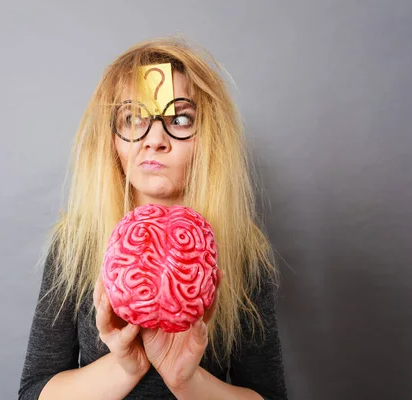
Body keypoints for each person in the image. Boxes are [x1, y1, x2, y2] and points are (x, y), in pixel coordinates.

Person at [18, 37, 288, 400]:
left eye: (179, 119)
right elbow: (33, 392)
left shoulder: (242, 250)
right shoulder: (76, 244)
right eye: (133, 119)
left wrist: (185, 380)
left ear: (209, 136)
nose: (155, 140)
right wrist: (125, 365)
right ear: (111, 138)